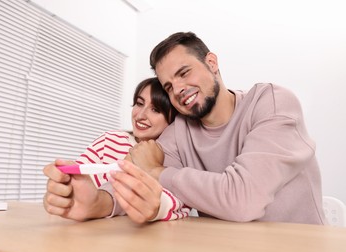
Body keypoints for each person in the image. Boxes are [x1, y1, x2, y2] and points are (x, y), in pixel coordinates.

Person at [116, 32, 326, 224]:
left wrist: (156, 171)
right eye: (169, 87)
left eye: (184, 73)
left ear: (211, 62)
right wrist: (99, 201)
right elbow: (134, 175)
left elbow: (243, 201)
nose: (178, 89)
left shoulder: (271, 103)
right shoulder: (180, 129)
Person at [43, 77, 190, 224]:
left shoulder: (174, 157)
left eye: (155, 109)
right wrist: (62, 192)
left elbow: (180, 205)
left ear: (172, 120)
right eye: (139, 104)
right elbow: (76, 181)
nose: (140, 115)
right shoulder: (110, 140)